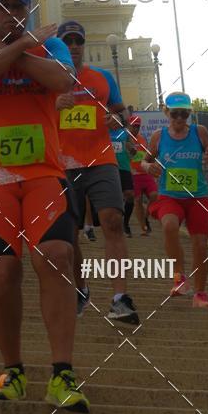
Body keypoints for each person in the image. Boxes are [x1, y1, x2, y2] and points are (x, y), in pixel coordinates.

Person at [0, 0, 89, 412]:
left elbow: (62, 80)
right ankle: (13, 369)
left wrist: (11, 52)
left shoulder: (55, 48)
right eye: (2, 5)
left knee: (56, 255)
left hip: (44, 173)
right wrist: (22, 46)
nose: (10, 13)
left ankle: (62, 372)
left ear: (28, 10)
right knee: (2, 273)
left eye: (19, 6)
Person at [55, 21, 139, 324]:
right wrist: (53, 105)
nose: (74, 46)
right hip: (63, 165)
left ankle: (120, 298)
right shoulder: (49, 80)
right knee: (70, 236)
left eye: (79, 41)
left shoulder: (101, 77)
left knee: (113, 221)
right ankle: (80, 289)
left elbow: (122, 112)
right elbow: (32, 116)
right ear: (59, 47)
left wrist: (119, 120)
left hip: (101, 160)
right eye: (68, 42)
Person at [144, 92, 208, 307]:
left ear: (189, 115)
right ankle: (180, 278)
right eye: (175, 114)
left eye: (184, 114)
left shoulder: (200, 132)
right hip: (169, 195)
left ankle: (200, 294)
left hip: (197, 196)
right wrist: (149, 167)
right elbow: (143, 162)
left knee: (201, 245)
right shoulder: (158, 136)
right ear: (166, 113)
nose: (179, 119)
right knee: (169, 225)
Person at [129, 114, 158, 235]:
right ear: (129, 126)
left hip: (145, 173)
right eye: (134, 126)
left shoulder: (143, 139)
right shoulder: (125, 138)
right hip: (133, 174)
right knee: (138, 200)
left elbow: (149, 155)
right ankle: (144, 227)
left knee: (154, 196)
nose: (136, 128)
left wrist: (154, 166)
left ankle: (146, 217)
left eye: (138, 126)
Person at [109, 122, 136, 237]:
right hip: (109, 167)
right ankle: (112, 224)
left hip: (124, 167)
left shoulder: (125, 133)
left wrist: (132, 149)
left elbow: (132, 148)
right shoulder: (104, 131)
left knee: (130, 195)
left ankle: (125, 223)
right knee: (113, 198)